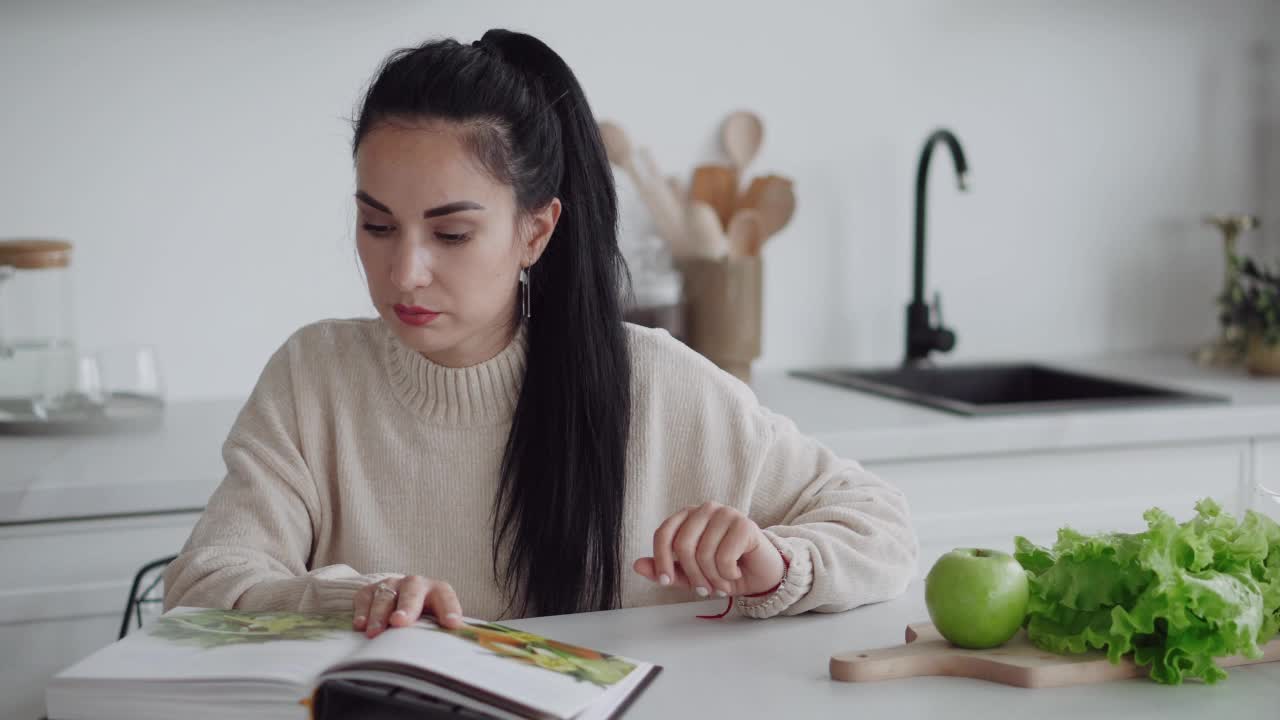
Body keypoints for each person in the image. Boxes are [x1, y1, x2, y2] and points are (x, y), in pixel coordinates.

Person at [163, 29, 917, 637]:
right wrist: (357, 600)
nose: (405, 272)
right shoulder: (315, 377)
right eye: (377, 225)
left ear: (535, 230)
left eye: (451, 234)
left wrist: (775, 562)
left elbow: (882, 529)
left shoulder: (651, 382)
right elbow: (202, 586)